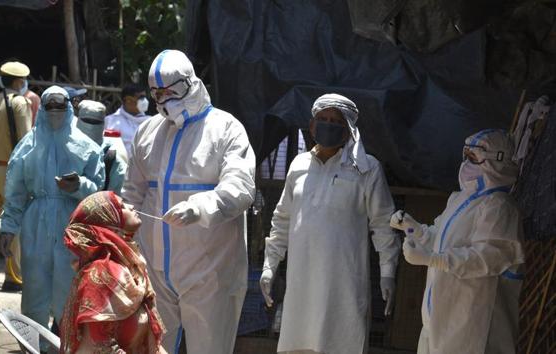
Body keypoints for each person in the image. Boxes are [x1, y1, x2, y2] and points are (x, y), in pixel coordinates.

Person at [122, 49, 255, 354]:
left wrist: (201, 207)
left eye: (170, 90)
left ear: (190, 83)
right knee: (151, 347)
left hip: (209, 272)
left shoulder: (225, 129)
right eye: (157, 93)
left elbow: (240, 187)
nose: (164, 99)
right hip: (153, 270)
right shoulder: (148, 131)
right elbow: (132, 193)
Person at [260, 93, 400, 354]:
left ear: (348, 129)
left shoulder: (366, 169)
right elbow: (282, 220)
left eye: (335, 121)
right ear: (312, 126)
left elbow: (383, 224)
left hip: (343, 286)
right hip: (301, 282)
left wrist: (388, 272)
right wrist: (270, 266)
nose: (327, 124)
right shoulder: (298, 166)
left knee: (341, 343)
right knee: (297, 345)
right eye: (322, 119)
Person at [390, 129, 525, 354]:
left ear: (495, 162)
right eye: (466, 157)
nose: (466, 164)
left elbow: (487, 258)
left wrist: (432, 259)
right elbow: (442, 239)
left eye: (473, 159)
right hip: (442, 318)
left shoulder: (499, 207)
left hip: (474, 325)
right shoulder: (461, 199)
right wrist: (414, 229)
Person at [0, 86, 105, 340]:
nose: (55, 111)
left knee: (70, 290)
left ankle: (68, 343)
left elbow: (98, 188)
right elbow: (15, 192)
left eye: (60, 106)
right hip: (35, 222)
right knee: (34, 287)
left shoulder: (87, 146)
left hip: (73, 222)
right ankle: (34, 344)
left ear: (69, 108)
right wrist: (8, 227)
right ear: (43, 109)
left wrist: (79, 186)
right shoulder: (27, 147)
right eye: (50, 106)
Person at [60, 191, 167, 354]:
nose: (131, 206)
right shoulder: (100, 274)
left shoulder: (132, 266)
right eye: (122, 206)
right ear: (109, 222)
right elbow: (101, 345)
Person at [0, 61, 33, 291]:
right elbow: (26, 141)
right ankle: (13, 277)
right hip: (12, 173)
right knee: (15, 224)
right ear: (20, 82)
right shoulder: (21, 103)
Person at [76, 100, 127, 194]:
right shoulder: (64, 150)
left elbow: (115, 198)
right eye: (87, 121)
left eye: (96, 122)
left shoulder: (111, 158)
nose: (91, 126)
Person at [105, 83, 151, 158]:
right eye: (141, 97)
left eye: (145, 97)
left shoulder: (151, 122)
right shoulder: (110, 121)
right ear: (128, 100)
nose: (145, 101)